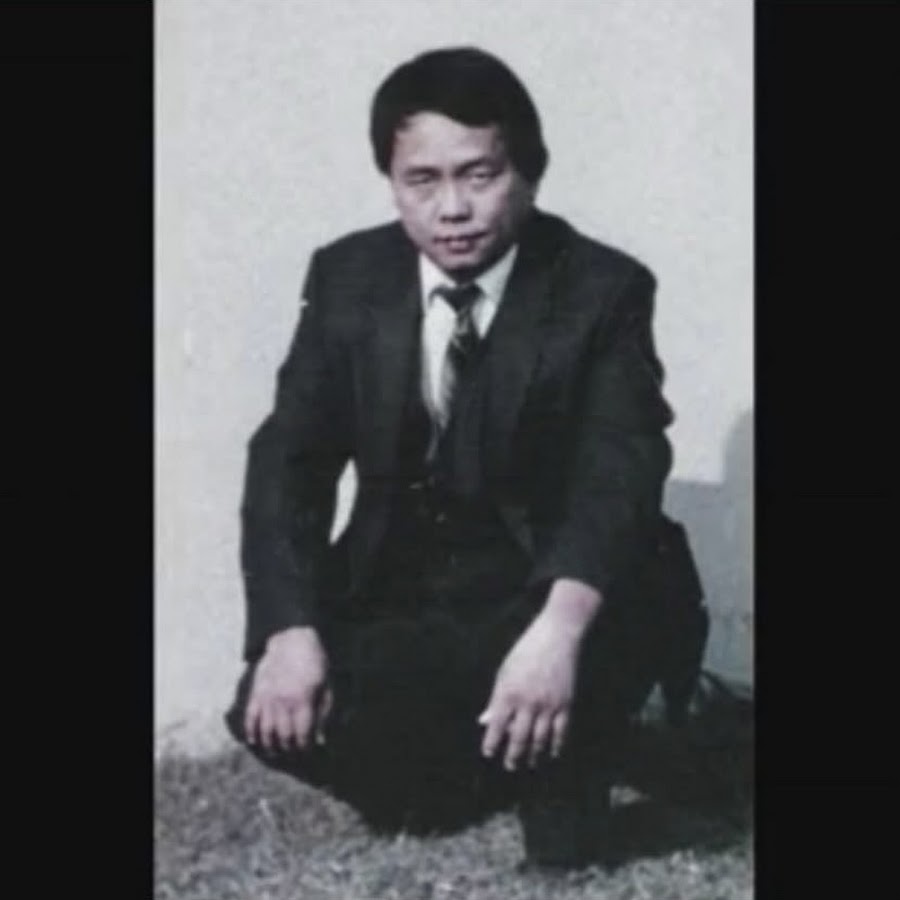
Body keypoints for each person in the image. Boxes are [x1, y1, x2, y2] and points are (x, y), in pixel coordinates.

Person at [225, 46, 708, 869]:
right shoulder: (348, 278)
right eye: (422, 180)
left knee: (566, 852)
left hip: (557, 586)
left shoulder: (603, 288)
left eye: (479, 175)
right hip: (416, 593)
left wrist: (557, 635)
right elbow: (288, 462)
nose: (452, 208)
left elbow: (617, 475)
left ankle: (575, 748)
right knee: (276, 714)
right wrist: (289, 630)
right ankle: (479, 768)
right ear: (391, 181)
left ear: (529, 172)